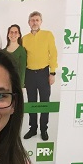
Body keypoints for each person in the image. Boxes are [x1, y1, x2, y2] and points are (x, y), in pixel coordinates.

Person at [22, 11, 58, 141]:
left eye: (37, 20)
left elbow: (53, 54)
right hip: (29, 74)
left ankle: (44, 129)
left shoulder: (48, 35)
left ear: (41, 22)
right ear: (29, 22)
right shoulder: (24, 39)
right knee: (32, 103)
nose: (35, 22)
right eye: (32, 20)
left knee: (44, 103)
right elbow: (23, 59)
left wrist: (52, 73)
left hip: (44, 73)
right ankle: (33, 129)